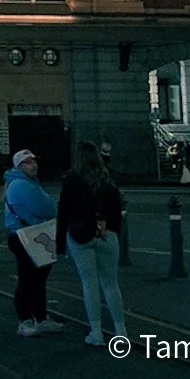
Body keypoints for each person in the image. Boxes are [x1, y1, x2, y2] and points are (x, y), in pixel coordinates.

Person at [56, 140, 128, 348]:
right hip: (106, 234)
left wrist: (60, 243)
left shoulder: (71, 179)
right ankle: (121, 331)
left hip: (80, 234)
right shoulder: (107, 178)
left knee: (89, 284)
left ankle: (96, 332)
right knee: (111, 284)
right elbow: (117, 211)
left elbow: (63, 212)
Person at [2, 149, 62, 337]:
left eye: (34, 161)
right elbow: (47, 207)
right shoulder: (21, 185)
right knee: (29, 279)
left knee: (36, 280)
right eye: (28, 162)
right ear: (19, 166)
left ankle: (39, 318)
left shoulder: (23, 183)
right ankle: (26, 320)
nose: (33, 164)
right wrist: (50, 205)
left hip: (30, 234)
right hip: (26, 235)